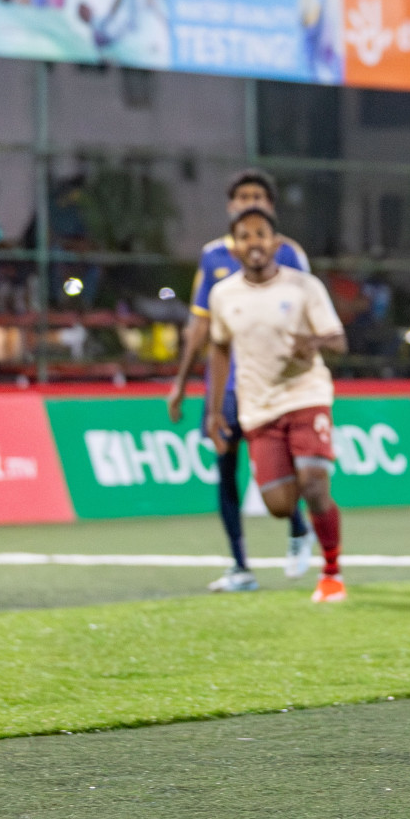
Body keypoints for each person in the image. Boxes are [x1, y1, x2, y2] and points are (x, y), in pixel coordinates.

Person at [168, 170, 316, 592]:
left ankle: (298, 528)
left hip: (276, 384)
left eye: (259, 196)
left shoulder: (290, 255)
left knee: (279, 465)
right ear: (231, 207)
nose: (251, 202)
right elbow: (199, 326)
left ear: (271, 206)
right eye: (243, 196)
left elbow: (310, 314)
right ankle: (240, 567)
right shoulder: (213, 257)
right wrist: (180, 383)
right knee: (226, 467)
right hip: (231, 386)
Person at [206, 206, 349, 604]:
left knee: (315, 486)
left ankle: (332, 573)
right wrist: (216, 411)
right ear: (234, 248)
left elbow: (338, 340)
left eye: (261, 234)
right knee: (280, 505)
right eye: (245, 236)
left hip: (306, 395)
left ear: (276, 243)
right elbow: (218, 349)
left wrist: (314, 343)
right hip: (259, 408)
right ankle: (300, 528)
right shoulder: (223, 295)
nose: (254, 242)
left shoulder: (304, 287)